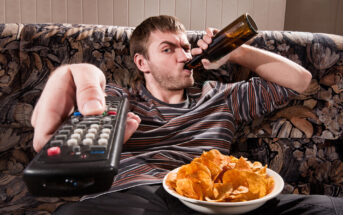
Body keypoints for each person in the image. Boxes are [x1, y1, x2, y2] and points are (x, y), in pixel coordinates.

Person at [31, 15, 342, 214]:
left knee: (328, 208)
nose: (184, 56)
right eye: (168, 49)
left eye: (186, 46)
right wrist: (76, 78)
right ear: (143, 63)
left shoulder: (220, 96)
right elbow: (83, 117)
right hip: (138, 196)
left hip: (220, 203)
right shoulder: (119, 98)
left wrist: (235, 51)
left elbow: (299, 81)